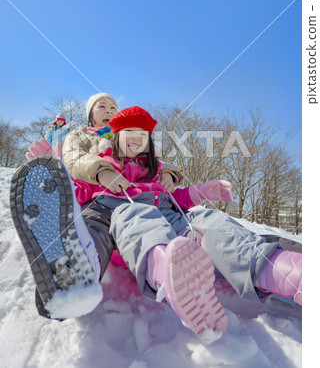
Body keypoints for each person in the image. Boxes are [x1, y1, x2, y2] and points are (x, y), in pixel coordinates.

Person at [10, 106, 302, 343]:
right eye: (128, 133)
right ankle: (84, 271)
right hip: (129, 224)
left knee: (211, 221)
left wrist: (206, 191)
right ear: (115, 138)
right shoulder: (104, 164)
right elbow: (80, 191)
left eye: (142, 134)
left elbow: (182, 198)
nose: (135, 138)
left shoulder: (158, 172)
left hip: (176, 221)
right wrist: (56, 173)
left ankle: (291, 273)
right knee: (131, 215)